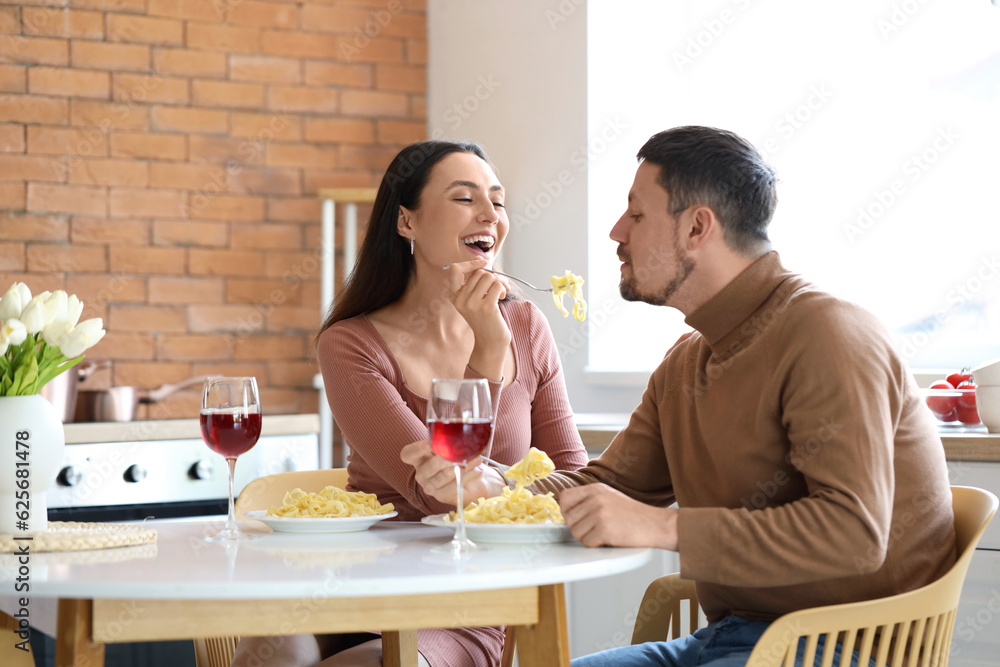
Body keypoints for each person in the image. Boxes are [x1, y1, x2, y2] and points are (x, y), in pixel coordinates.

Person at [404, 126, 956, 667]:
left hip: (841, 645)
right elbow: (608, 485)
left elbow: (854, 534)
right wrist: (496, 487)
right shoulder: (688, 360)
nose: (617, 231)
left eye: (637, 214)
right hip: (728, 640)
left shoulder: (827, 334)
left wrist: (660, 526)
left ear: (697, 227)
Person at [231, 139, 589, 667]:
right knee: (269, 656)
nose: (490, 214)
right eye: (465, 199)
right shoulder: (352, 344)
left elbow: (570, 476)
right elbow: (437, 487)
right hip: (351, 584)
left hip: (468, 600)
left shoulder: (526, 328)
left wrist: (491, 346)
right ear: (406, 223)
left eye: (498, 199)